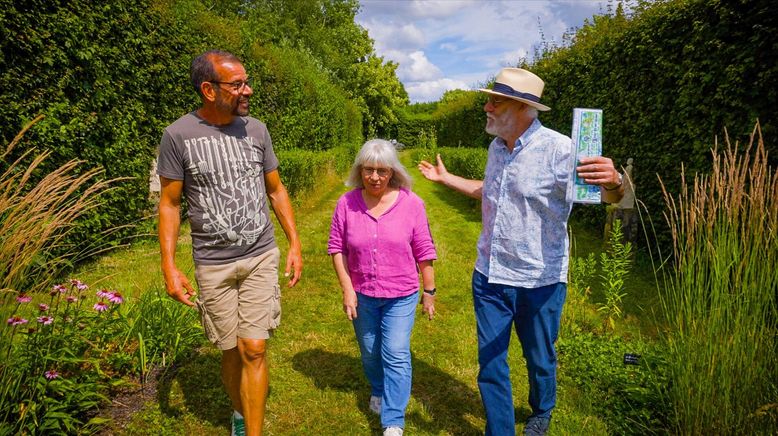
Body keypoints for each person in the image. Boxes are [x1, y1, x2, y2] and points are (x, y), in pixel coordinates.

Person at [418, 68, 623, 436]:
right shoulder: (496, 148)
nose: (487, 106)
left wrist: (616, 184)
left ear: (524, 108)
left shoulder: (561, 150)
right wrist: (445, 179)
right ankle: (500, 430)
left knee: (539, 358)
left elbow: (603, 196)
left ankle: (542, 411)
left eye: (495, 100)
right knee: (491, 363)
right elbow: (491, 190)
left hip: (539, 282)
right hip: (489, 277)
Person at [157, 50, 302, 436]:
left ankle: (251, 431)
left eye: (246, 82)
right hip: (213, 263)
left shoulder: (256, 130)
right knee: (230, 351)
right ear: (208, 89)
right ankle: (239, 410)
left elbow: (276, 189)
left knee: (253, 348)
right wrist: (169, 266)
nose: (247, 90)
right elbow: (170, 204)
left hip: (259, 255)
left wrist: (295, 243)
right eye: (237, 84)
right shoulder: (178, 135)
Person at [328, 139, 437, 436]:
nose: (375, 177)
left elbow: (424, 249)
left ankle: (393, 420)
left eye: (381, 170)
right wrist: (347, 288)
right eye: (368, 170)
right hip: (362, 293)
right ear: (359, 171)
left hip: (400, 294)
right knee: (370, 352)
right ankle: (378, 388)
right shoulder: (346, 203)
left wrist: (429, 292)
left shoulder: (412, 204)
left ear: (393, 172)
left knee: (396, 352)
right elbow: (337, 248)